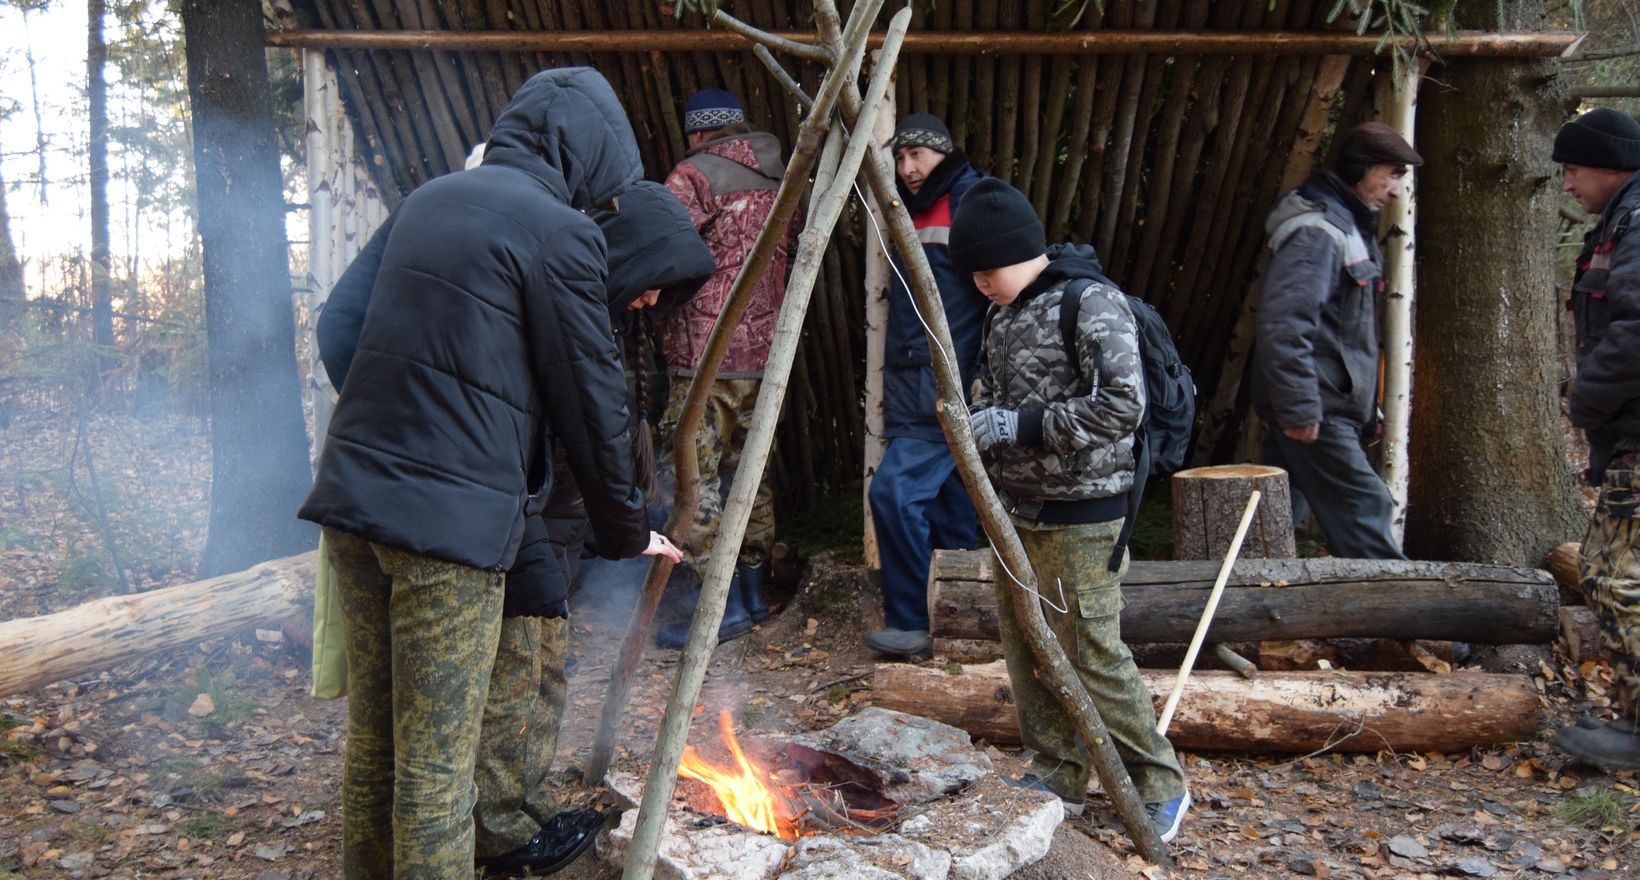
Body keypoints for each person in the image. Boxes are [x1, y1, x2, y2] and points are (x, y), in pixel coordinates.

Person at [298, 68, 682, 879]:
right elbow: (591, 403)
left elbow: (340, 326)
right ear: (593, 152)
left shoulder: (430, 199)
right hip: (452, 529)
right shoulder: (562, 233)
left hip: (352, 499)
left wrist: (400, 421)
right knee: (436, 770)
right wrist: (627, 527)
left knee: (375, 742)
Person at [471, 179, 713, 877]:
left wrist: (627, 511)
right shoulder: (560, 308)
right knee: (520, 668)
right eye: (650, 285)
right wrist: (626, 526)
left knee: (544, 662)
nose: (649, 303)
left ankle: (515, 806)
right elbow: (579, 424)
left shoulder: (604, 316)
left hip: (561, 517)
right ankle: (500, 828)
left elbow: (613, 424)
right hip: (524, 513)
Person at [948, 178, 1190, 843]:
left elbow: (1123, 406)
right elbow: (987, 396)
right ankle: (1058, 772)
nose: (979, 283)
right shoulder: (1002, 312)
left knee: (1090, 650)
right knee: (1028, 644)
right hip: (1014, 510)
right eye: (970, 272)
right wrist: (977, 424)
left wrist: (1020, 426)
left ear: (1020, 251)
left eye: (987, 268)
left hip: (1088, 513)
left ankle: (1160, 784)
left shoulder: (1092, 305)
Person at [653, 88, 799, 648]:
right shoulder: (780, 173)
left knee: (696, 478)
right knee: (750, 477)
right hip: (766, 357)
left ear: (697, 132)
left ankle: (710, 610)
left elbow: (664, 249)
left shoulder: (693, 176)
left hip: (705, 358)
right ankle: (753, 596)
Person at [1251, 122, 1422, 560]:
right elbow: (1285, 324)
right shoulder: (1317, 231)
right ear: (1363, 171)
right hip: (1317, 409)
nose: (1397, 190)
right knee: (1365, 505)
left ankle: (1257, 610)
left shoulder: (1345, 225)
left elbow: (1344, 332)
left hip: (1324, 403)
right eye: (1394, 175)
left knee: (1275, 516)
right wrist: (1300, 407)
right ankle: (1400, 614)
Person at [864, 113, 988, 658]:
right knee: (950, 508)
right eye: (900, 157)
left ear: (945, 153)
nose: (908, 168)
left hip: (947, 381)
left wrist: (978, 374)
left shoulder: (970, 199)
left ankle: (913, 618)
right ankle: (963, 619)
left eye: (919, 155)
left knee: (892, 491)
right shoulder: (911, 207)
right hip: (915, 378)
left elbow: (997, 290)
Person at [1547, 107, 1640, 772]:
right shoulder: (1622, 221)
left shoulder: (1638, 222)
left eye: (1574, 169)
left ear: (1611, 164)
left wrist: (1586, 400)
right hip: (1628, 436)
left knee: (1617, 580)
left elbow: (1636, 327)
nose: (1568, 184)